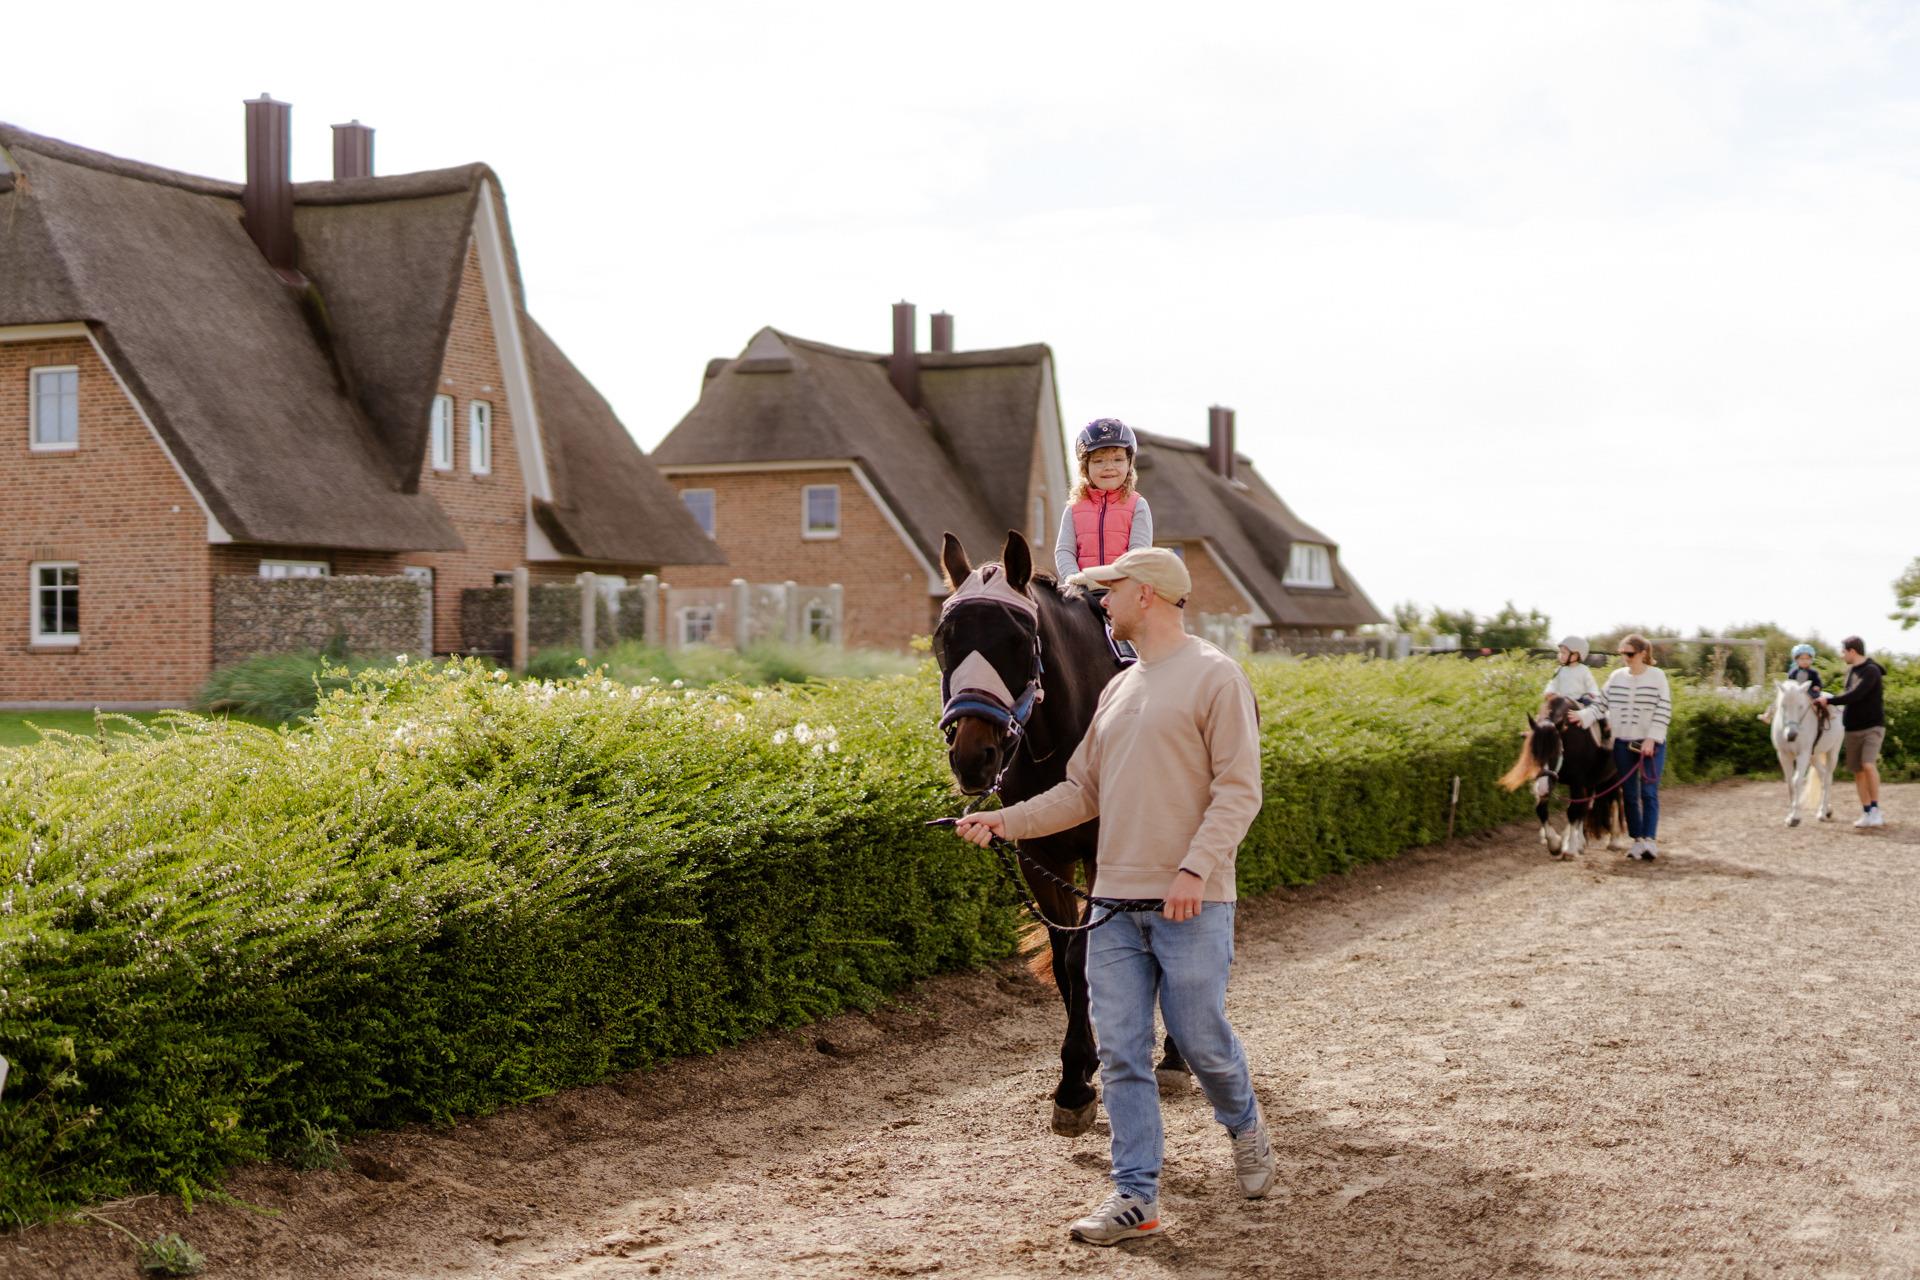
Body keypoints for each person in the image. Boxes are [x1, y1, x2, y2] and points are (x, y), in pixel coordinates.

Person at [951, 546, 1271, 1245]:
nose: (1101, 601)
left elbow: (1239, 791)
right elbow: (1081, 792)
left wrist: (1196, 870)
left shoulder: (1216, 677)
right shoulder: (1119, 690)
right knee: (1122, 1053)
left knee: (1203, 1043)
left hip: (1191, 903)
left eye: (1112, 590)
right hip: (1114, 910)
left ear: (1147, 595)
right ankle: (1135, 1196)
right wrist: (1004, 821)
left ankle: (1245, 1124)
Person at [1575, 634, 1671, 860]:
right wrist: (1581, 716)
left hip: (1651, 744)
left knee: (1648, 793)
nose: (1625, 658)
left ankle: (1650, 840)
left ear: (1643, 654)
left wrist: (1652, 738)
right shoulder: (1616, 676)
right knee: (1629, 794)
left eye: (1629, 653)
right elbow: (1600, 704)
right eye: (1622, 653)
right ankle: (1637, 840)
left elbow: (1664, 709)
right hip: (1623, 744)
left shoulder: (1657, 676)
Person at [1053, 418, 1154, 581]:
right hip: (1082, 588)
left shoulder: (1137, 505)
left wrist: (1117, 582)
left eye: (1118, 460)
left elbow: (1138, 554)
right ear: (1085, 468)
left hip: (1123, 586)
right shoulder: (1074, 508)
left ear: (1129, 464)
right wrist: (1076, 579)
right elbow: (1064, 551)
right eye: (1099, 461)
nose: (1109, 467)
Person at [1818, 636, 1886, 827]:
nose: (1842, 656)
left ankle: (1876, 810)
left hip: (1872, 727)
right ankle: (1866, 811)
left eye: (1843, 652)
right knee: (1858, 771)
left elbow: (1856, 695)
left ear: (1852, 651)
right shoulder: (1850, 671)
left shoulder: (1871, 671)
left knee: (1868, 764)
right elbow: (1849, 696)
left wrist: (1828, 700)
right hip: (1852, 728)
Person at [1758, 644, 1823, 724]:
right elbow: (1789, 683)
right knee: (1778, 700)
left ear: (1811, 660)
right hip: (1794, 692)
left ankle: (1819, 715)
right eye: (1802, 659)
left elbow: (1818, 682)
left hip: (1809, 691)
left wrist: (1817, 686)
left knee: (1816, 702)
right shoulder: (1793, 672)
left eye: (1807, 659)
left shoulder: (1813, 672)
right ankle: (1768, 714)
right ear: (1796, 660)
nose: (1805, 661)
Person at [1544, 635, 1601, 706]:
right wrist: (1549, 692)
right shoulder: (1560, 669)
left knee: (1586, 700)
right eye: (1560, 652)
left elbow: (1591, 686)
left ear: (1575, 655)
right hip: (1563, 701)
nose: (1560, 655)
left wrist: (1594, 695)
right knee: (1547, 705)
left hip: (1579, 702)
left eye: (1563, 653)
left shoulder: (1583, 670)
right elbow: (1553, 684)